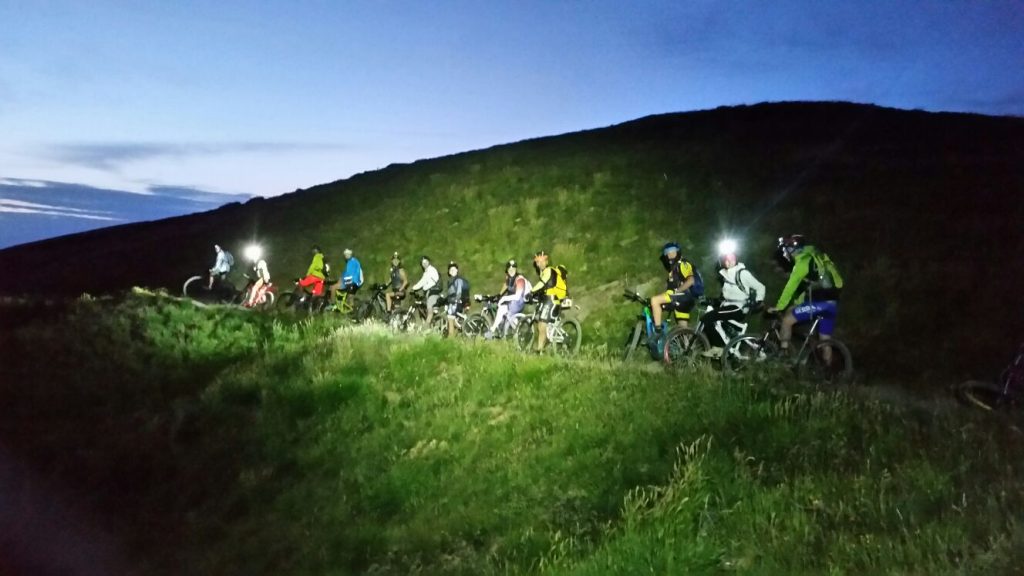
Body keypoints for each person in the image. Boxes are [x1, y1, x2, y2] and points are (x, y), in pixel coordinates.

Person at [768, 234, 844, 359]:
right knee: (825, 341)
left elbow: (790, 287)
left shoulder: (803, 262)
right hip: (833, 303)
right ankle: (828, 375)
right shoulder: (819, 257)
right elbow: (809, 287)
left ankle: (783, 354)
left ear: (792, 249)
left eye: (785, 249)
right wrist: (797, 303)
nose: (784, 252)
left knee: (787, 321)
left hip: (820, 302)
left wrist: (779, 307)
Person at [701, 239, 766, 357]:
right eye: (727, 258)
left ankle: (718, 348)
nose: (729, 260)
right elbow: (728, 296)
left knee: (709, 317)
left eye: (732, 258)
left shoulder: (742, 273)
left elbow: (760, 287)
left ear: (736, 259)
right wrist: (713, 300)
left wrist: (758, 301)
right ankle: (730, 351)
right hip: (730, 306)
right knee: (716, 322)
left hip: (739, 308)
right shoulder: (726, 276)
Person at [649, 242, 702, 333]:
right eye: (667, 253)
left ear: (678, 252)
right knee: (683, 330)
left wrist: (678, 290)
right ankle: (688, 345)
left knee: (654, 300)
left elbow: (691, 280)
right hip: (684, 301)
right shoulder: (673, 268)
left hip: (683, 296)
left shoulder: (683, 264)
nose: (670, 254)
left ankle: (657, 330)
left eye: (673, 252)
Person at [529, 250, 568, 352]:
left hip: (551, 300)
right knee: (544, 325)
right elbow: (545, 288)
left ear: (547, 261)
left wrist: (531, 292)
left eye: (542, 261)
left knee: (542, 324)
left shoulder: (548, 271)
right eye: (538, 262)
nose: (539, 264)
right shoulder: (545, 272)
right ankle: (544, 346)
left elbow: (542, 283)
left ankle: (539, 350)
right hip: (551, 299)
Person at [485, 259, 530, 339]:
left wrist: (504, 298)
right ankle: (495, 330)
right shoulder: (509, 279)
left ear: (516, 270)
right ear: (507, 270)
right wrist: (498, 296)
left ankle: (517, 333)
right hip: (513, 301)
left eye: (513, 269)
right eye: (510, 269)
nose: (511, 271)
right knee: (502, 310)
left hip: (520, 301)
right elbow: (504, 288)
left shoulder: (520, 279)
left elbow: (517, 296)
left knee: (505, 311)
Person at [410, 256, 442, 325]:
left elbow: (435, 280)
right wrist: (414, 288)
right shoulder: (426, 272)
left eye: (426, 262)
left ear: (429, 262)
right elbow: (422, 282)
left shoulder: (432, 270)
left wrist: (425, 287)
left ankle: (426, 328)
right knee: (423, 306)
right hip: (429, 292)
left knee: (429, 310)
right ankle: (427, 322)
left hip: (433, 292)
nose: (424, 264)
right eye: (423, 263)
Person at [445, 261, 470, 337]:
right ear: (449, 272)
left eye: (454, 269)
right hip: (457, 301)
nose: (452, 271)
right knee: (454, 319)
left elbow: (459, 292)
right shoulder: (451, 281)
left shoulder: (458, 280)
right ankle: (458, 331)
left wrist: (456, 299)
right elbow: (450, 294)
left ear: (457, 270)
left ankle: (450, 337)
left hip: (458, 302)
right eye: (450, 270)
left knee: (450, 318)